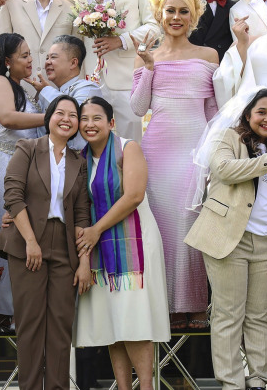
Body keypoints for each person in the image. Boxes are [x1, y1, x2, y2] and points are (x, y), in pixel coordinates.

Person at [0, 0, 160, 141]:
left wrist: (122, 40)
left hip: (124, 77)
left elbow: (154, 27)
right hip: (85, 79)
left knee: (129, 142)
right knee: (84, 144)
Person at [185, 88, 267, 390]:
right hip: (230, 238)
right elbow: (223, 170)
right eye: (262, 111)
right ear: (248, 114)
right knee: (228, 315)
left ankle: (259, 380)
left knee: (260, 316)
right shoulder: (229, 138)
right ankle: (232, 384)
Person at [130, 0, 218, 328]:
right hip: (158, 151)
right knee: (161, 229)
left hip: (196, 149)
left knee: (191, 224)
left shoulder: (208, 55)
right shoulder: (146, 58)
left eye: (184, 11)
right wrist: (148, 69)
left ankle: (194, 303)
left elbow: (214, 110)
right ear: (160, 14)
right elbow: (138, 109)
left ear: (193, 16)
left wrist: (211, 154)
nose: (176, 17)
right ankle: (165, 305)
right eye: (170, 11)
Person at [0, 94, 91, 390]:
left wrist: (84, 261)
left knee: (61, 327)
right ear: (49, 117)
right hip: (27, 243)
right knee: (30, 326)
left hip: (65, 245)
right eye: (60, 113)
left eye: (73, 115)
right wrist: (31, 242)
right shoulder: (28, 148)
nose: (66, 119)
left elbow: (83, 214)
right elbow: (13, 195)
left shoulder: (79, 161)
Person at [73, 96, 170, 389]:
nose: (90, 125)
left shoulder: (129, 148)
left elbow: (134, 196)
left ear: (111, 123)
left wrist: (95, 231)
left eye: (97, 118)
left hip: (134, 245)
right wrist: (86, 254)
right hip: (101, 250)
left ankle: (146, 386)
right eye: (84, 119)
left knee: (134, 320)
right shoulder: (80, 159)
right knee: (114, 322)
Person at [0, 33, 45, 331]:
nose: (31, 60)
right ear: (6, 61)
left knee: (20, 231)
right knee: (6, 233)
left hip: (19, 167)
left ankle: (17, 306)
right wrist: (52, 116)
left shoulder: (20, 88)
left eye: (30, 54)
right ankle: (3, 311)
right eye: (24, 55)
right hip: (1, 168)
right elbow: (7, 118)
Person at [39, 35, 102, 151]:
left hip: (78, 163)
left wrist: (46, 90)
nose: (47, 62)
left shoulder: (88, 88)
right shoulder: (51, 91)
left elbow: (71, 113)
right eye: (47, 58)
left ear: (73, 63)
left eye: (53, 57)